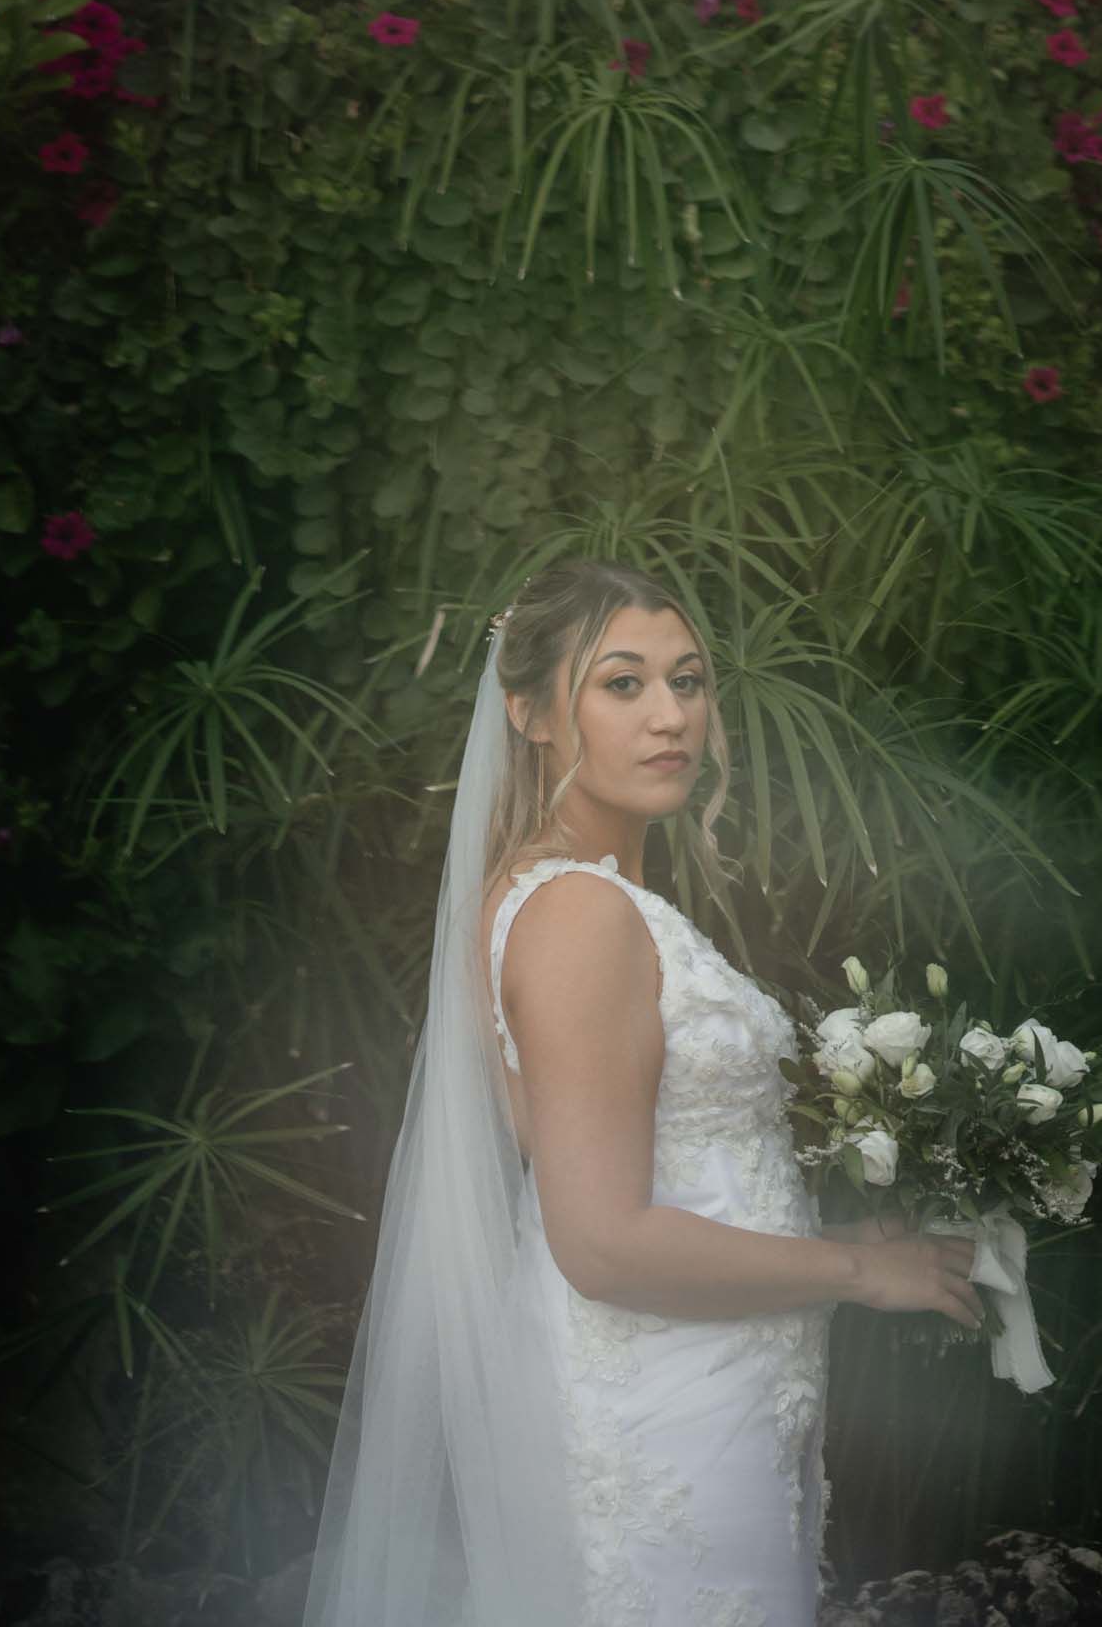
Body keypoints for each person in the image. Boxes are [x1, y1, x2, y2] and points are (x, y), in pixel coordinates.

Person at [301, 556, 983, 1627]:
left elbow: (662, 1161)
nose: (670, 716)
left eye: (688, 680)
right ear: (528, 712)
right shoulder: (580, 917)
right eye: (621, 683)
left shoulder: (557, 895)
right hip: (664, 1406)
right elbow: (603, 1242)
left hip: (712, 1376)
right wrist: (858, 1269)